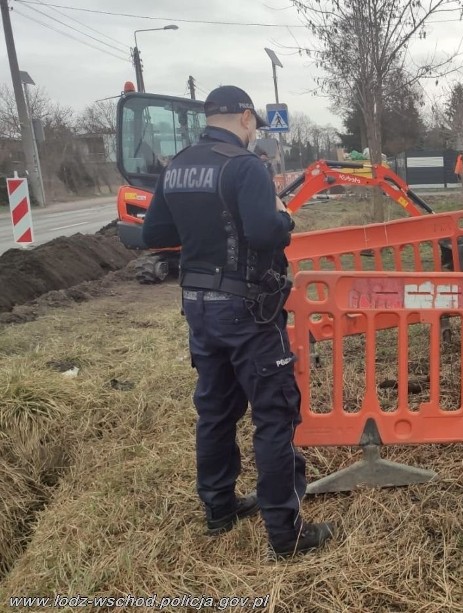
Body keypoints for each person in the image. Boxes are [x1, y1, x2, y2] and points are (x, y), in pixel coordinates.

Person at [141, 85, 335, 559]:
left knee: (216, 410)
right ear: (247, 118)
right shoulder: (244, 165)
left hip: (198, 307)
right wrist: (285, 217)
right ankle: (286, 535)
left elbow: (154, 234)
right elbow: (265, 232)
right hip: (247, 309)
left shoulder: (180, 164)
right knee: (274, 414)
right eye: (254, 124)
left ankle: (219, 508)